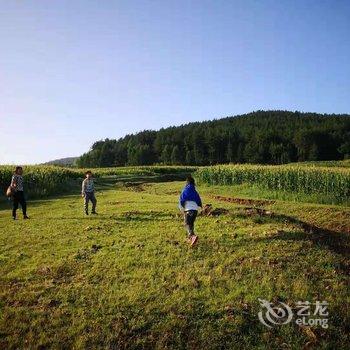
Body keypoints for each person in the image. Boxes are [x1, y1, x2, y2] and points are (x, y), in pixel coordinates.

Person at [178, 175, 202, 246]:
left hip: (188, 210)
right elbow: (198, 201)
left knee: (187, 223)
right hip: (195, 211)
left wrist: (181, 208)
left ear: (187, 182)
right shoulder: (195, 191)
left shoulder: (184, 190)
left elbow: (181, 200)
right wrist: (200, 207)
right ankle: (191, 239)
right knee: (191, 224)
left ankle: (192, 236)